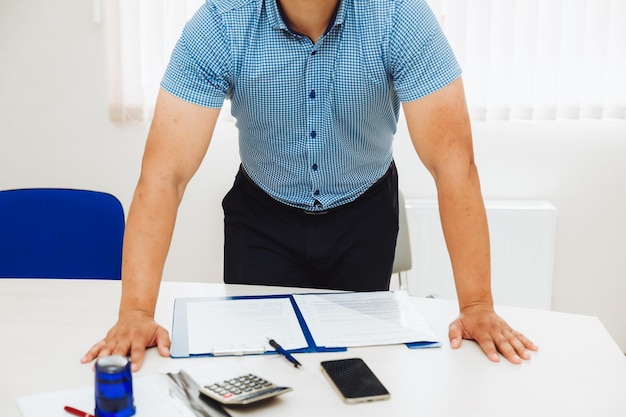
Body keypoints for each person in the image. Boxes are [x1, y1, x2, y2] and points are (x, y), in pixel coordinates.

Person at [82, 0, 537, 371]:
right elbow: (165, 174)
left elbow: (454, 165)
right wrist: (137, 313)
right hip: (262, 218)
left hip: (364, 215)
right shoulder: (222, 21)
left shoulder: (398, 15)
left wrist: (477, 304)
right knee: (262, 369)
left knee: (359, 371)